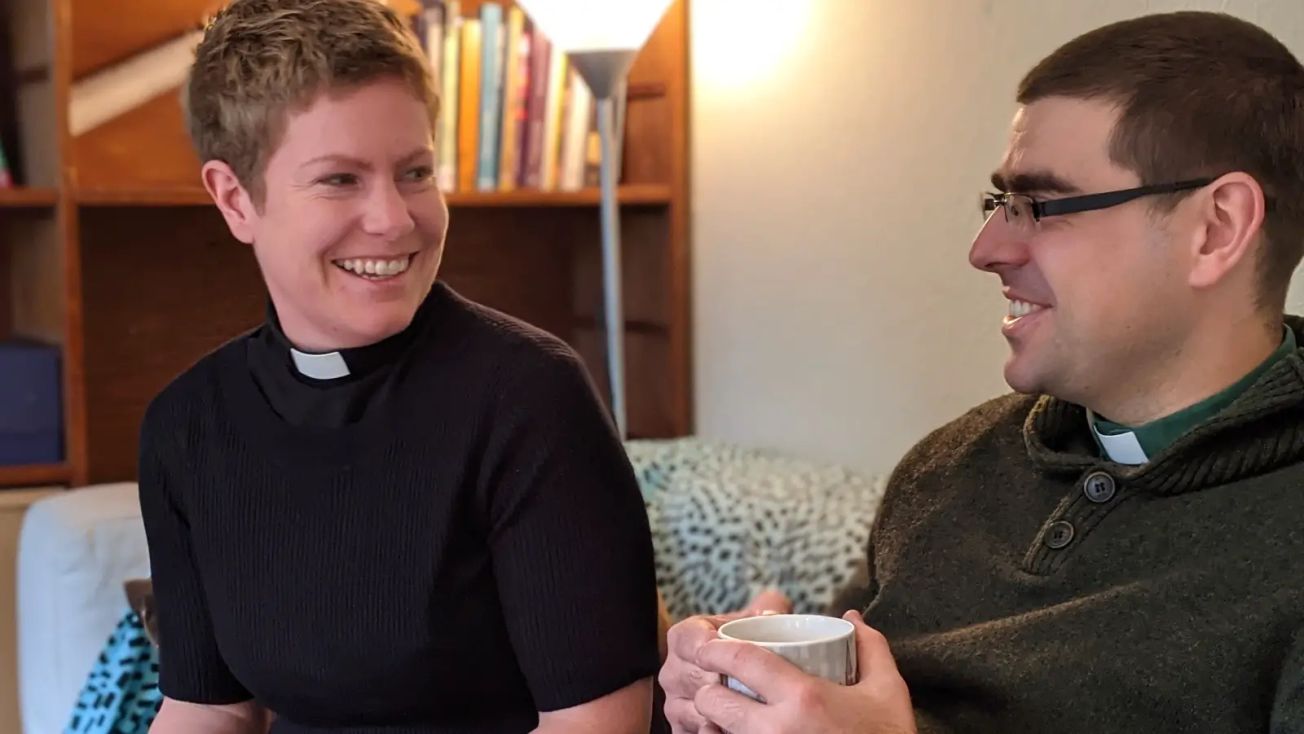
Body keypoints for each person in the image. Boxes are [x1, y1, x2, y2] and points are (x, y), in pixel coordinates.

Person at [660, 10, 1304, 734]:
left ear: (1216, 228)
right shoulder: (947, 470)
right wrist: (724, 691)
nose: (986, 247)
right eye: (1000, 203)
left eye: (1040, 204)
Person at [137, 1, 659, 731]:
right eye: (339, 180)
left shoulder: (530, 398)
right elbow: (209, 709)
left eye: (414, 172)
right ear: (235, 199)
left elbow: (597, 725)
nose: (394, 218)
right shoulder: (185, 426)